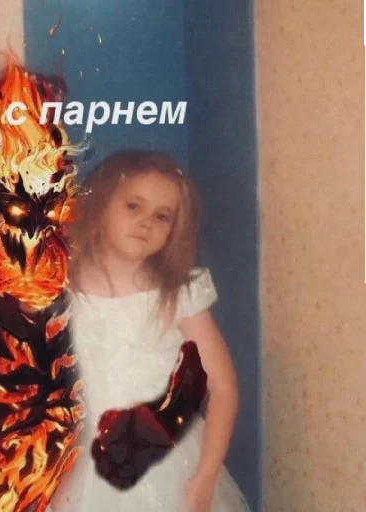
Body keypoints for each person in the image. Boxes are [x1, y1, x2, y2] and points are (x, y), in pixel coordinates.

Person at [49, 149, 251, 512]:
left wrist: (205, 477)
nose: (146, 223)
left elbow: (223, 388)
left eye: (162, 216)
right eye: (133, 206)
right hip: (80, 462)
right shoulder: (57, 289)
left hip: (167, 461)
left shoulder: (178, 295)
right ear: (100, 205)